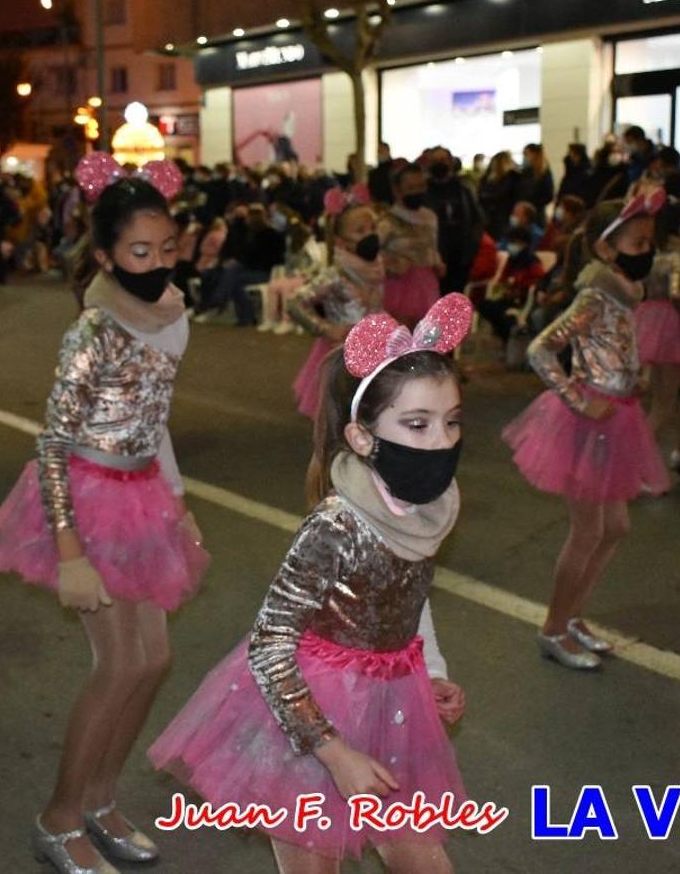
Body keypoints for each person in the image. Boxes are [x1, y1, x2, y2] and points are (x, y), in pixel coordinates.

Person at [150, 295, 474, 873]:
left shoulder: (430, 504)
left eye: (451, 423)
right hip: (310, 713)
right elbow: (269, 643)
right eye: (417, 424)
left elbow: (410, 594)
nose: (440, 442)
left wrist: (435, 672)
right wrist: (334, 752)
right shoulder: (336, 525)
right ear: (363, 437)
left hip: (394, 695)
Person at [0, 169, 209, 873]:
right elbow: (52, 442)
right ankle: (59, 817)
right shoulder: (93, 329)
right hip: (87, 500)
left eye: (167, 247)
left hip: (143, 494)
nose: (158, 263)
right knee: (118, 664)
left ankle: (102, 801)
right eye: (140, 252)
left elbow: (155, 423)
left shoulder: (171, 316)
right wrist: (70, 551)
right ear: (108, 257)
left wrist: (179, 502)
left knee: (156, 659)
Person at [502, 193, 669, 670]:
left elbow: (618, 351)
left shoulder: (624, 294)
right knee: (588, 529)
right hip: (583, 423)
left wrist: (634, 381)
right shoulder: (595, 297)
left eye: (648, 241)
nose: (647, 250)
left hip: (618, 417)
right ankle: (553, 628)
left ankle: (573, 616)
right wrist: (578, 399)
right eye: (637, 242)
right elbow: (540, 349)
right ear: (607, 248)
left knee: (615, 525)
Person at [290, 193, 385, 419]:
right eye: (359, 231)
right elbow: (295, 303)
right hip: (345, 355)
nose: (369, 235)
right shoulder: (335, 276)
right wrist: (326, 328)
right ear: (341, 240)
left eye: (372, 228)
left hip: (380, 347)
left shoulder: (378, 268)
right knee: (343, 416)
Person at [636, 201, 680, 484]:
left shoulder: (657, 255)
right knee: (663, 403)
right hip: (670, 327)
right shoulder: (679, 258)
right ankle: (638, 470)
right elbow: (678, 296)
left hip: (651, 321)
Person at [379, 163, 444, 328]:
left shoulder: (430, 217)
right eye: (411, 187)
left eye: (421, 186)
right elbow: (372, 257)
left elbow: (432, 247)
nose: (417, 192)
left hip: (427, 285)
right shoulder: (385, 221)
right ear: (397, 190)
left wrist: (438, 262)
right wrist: (391, 264)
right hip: (398, 288)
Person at [422, 146, 485, 296]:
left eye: (442, 160)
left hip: (460, 255)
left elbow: (478, 219)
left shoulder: (463, 189)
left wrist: (472, 246)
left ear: (450, 162)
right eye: (435, 161)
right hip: (434, 255)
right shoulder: (424, 191)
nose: (439, 164)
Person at [477, 151, 522, 239]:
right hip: (491, 217)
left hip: (503, 217)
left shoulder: (512, 178)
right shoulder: (488, 178)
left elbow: (500, 195)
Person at [517, 143, 555, 224]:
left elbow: (549, 195)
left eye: (526, 154)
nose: (525, 157)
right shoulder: (526, 171)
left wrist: (532, 204)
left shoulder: (544, 172)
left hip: (537, 213)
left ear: (534, 154)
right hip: (523, 212)